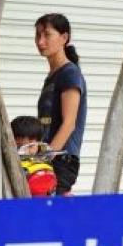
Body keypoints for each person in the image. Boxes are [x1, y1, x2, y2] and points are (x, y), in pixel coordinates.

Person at [35, 13, 87, 195]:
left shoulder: (70, 73)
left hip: (61, 159)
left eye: (47, 35)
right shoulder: (52, 76)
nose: (41, 41)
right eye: (38, 35)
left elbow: (69, 123)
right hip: (50, 157)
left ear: (64, 38)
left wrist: (44, 158)